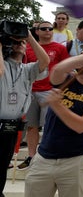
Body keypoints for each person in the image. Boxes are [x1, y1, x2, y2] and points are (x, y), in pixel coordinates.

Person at [24, 43, 83, 197]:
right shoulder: (65, 79)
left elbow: (81, 125)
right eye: (82, 54)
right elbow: (58, 69)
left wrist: (57, 105)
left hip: (74, 161)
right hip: (43, 158)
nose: (82, 57)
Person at [0, 32, 49, 197]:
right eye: (13, 41)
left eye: (21, 42)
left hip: (12, 127)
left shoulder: (28, 69)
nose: (18, 44)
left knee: (2, 167)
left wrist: (29, 37)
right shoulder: (3, 65)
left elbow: (45, 62)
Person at [18, 21, 70, 171]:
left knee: (49, 126)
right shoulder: (27, 48)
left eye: (50, 28)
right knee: (31, 126)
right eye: (44, 29)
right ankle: (31, 156)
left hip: (50, 90)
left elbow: (66, 67)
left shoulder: (59, 48)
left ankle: (47, 155)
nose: (48, 31)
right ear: (37, 31)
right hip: (31, 91)